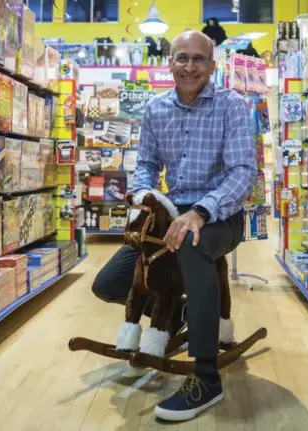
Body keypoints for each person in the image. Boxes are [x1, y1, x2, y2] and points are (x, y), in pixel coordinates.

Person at [92, 30, 257, 422]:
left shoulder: (232, 106)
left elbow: (243, 172)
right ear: (170, 63)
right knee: (109, 284)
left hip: (221, 216)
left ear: (212, 66)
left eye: (199, 59)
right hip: (168, 215)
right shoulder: (155, 109)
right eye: (182, 58)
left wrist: (200, 211)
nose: (189, 66)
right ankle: (183, 312)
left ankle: (206, 379)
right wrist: (146, 198)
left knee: (192, 246)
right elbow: (147, 165)